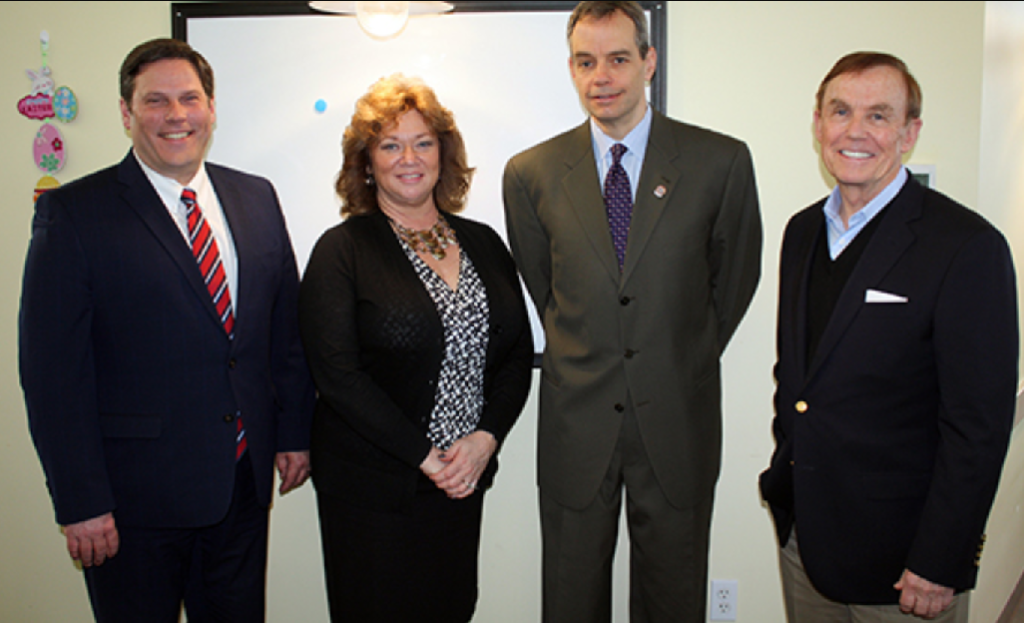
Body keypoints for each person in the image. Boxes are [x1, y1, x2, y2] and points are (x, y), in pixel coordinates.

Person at [18, 38, 315, 622]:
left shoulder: (255, 197)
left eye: (190, 99)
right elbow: (53, 375)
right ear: (127, 114)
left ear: (210, 108)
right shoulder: (74, 213)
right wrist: (81, 502)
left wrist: (292, 433)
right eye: (156, 101)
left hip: (241, 489)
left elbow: (284, 332)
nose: (176, 116)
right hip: (130, 507)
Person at [502, 2, 762, 620]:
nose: (603, 77)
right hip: (576, 425)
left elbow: (734, 283)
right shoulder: (530, 174)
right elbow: (546, 288)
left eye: (619, 58)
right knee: (569, 600)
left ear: (649, 60)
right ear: (571, 69)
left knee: (673, 600)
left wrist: (676, 349)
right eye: (586, 62)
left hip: (678, 421)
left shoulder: (719, 163)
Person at [759, 51, 1018, 622]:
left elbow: (978, 424)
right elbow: (799, 373)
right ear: (818, 123)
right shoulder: (802, 231)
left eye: (878, 115)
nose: (855, 131)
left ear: (909, 132)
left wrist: (942, 558)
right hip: (806, 540)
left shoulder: (966, 246)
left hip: (905, 563)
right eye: (840, 111)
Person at [298, 73, 534, 623]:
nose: (410, 157)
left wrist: (486, 439)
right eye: (390, 144)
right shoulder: (342, 251)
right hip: (373, 491)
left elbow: (516, 356)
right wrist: (424, 456)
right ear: (365, 162)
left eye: (423, 141)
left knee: (451, 609)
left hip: (459, 486)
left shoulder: (483, 242)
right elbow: (337, 375)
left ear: (443, 154)